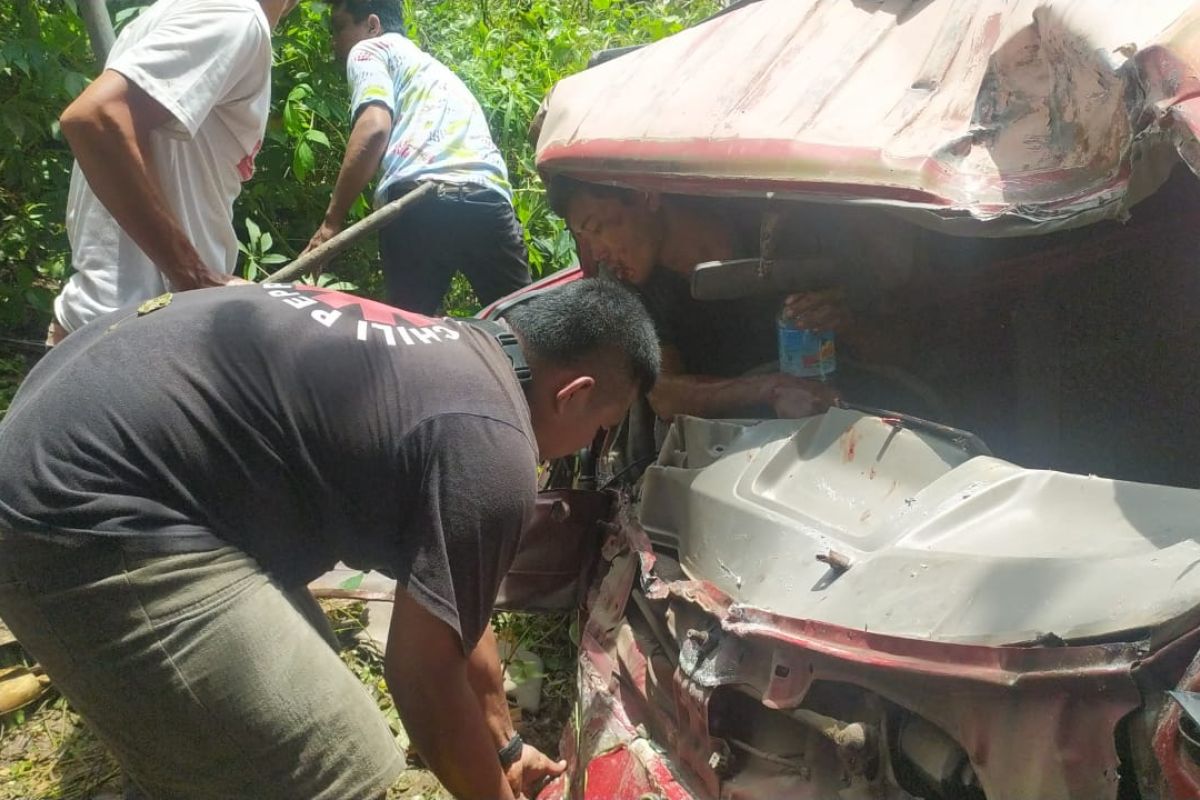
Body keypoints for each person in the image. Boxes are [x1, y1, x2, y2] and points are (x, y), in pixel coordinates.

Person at [0, 279, 659, 799]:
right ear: (574, 394)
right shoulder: (495, 448)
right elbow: (424, 679)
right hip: (76, 506)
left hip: (68, 430)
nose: (593, 450)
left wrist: (506, 749)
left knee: (286, 696)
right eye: (604, 430)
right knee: (342, 757)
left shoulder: (456, 352)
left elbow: (457, 607)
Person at [551, 178, 925, 420]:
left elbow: (903, 352)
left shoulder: (786, 231)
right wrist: (771, 388)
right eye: (584, 238)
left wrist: (849, 322)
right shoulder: (632, 287)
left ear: (645, 194)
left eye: (598, 228)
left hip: (855, 419)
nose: (597, 251)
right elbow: (664, 394)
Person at [49, 0, 299, 345]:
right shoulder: (238, 18)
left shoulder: (183, 11)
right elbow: (96, 118)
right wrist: (194, 277)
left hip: (100, 327)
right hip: (138, 335)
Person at [304, 0, 531, 314]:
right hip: (486, 198)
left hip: (417, 203)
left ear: (372, 25)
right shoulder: (435, 70)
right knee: (530, 332)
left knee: (411, 338)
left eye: (340, 27)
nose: (335, 42)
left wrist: (331, 224)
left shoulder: (369, 49)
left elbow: (374, 128)